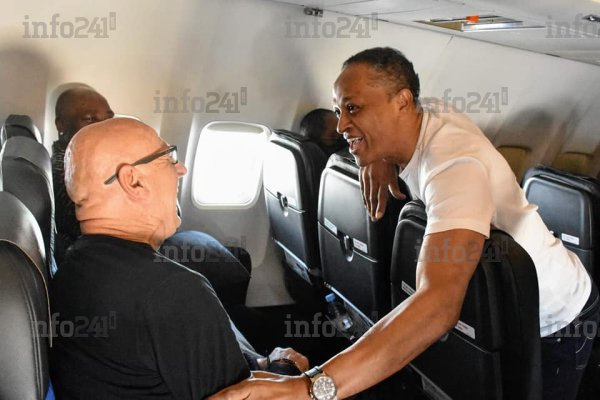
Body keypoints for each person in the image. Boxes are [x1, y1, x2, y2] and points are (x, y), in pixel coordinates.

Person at [209, 47, 599, 400]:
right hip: (499, 301)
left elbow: (438, 305)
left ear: (402, 102)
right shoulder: (420, 116)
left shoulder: (453, 165)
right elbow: (405, 119)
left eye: (353, 108)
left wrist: (310, 387)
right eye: (339, 110)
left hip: (555, 315)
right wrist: (379, 155)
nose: (340, 124)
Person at [50, 118, 308, 399]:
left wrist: (260, 365)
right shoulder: (173, 291)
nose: (181, 169)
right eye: (168, 158)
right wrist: (287, 370)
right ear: (133, 181)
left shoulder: (71, 269)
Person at [52, 86, 115, 264]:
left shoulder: (92, 159)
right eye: (89, 119)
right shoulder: (66, 171)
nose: (105, 127)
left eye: (109, 119)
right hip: (89, 258)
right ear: (61, 124)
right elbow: (91, 229)